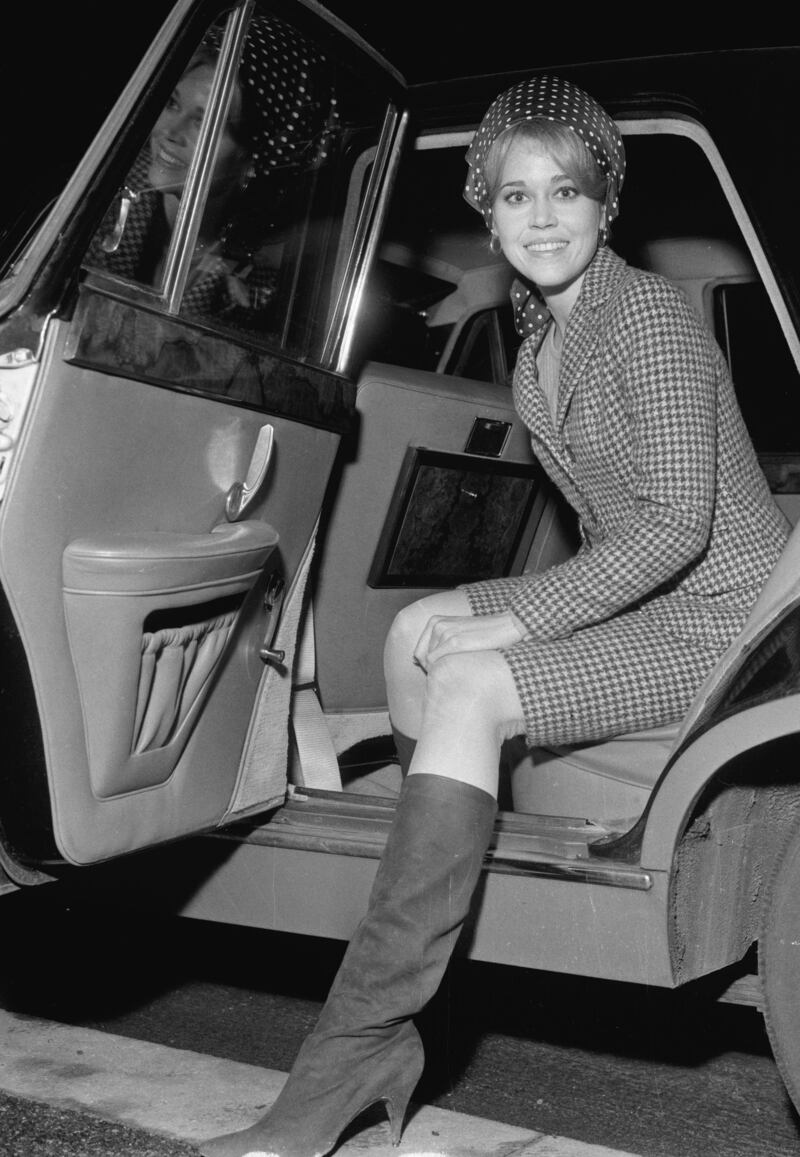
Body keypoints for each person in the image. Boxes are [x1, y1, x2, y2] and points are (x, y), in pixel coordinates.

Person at [199, 75, 790, 1157]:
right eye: (515, 196)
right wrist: (482, 613)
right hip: (655, 591)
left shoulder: (645, 323)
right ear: (489, 213)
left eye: (566, 190)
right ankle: (426, 924)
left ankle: (355, 1047)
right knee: (416, 625)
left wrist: (517, 626)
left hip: (722, 623)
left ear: (606, 203)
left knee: (469, 672)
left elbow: (671, 531)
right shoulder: (540, 337)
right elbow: (614, 533)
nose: (542, 216)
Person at [87, 14, 339, 328]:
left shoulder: (258, 287)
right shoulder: (90, 209)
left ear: (254, 157)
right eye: (173, 104)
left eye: (205, 124)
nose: (171, 131)